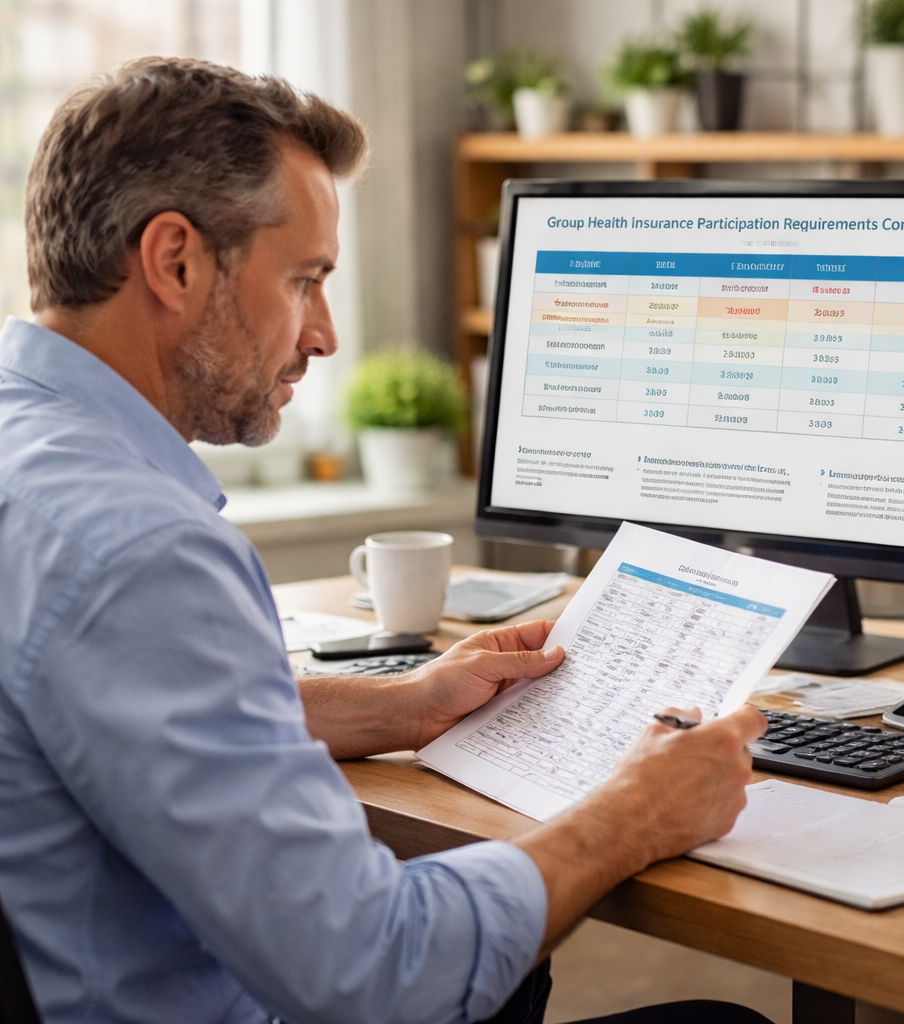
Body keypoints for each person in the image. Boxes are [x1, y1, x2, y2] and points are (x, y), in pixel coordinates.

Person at [0, 58, 769, 1024]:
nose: (322, 335)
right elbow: (375, 972)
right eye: (305, 280)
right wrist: (632, 816)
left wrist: (398, 707)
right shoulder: (141, 549)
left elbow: (102, 705)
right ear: (176, 261)